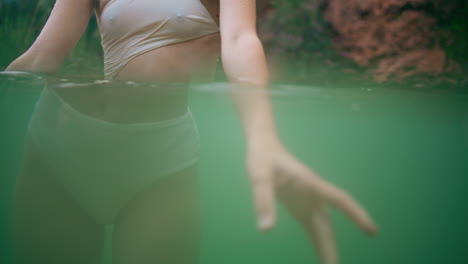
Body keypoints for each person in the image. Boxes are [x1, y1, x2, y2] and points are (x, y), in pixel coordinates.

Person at [6, 0, 377, 264]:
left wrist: (264, 138)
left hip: (161, 160)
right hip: (61, 146)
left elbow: (239, 41)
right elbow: (41, 58)